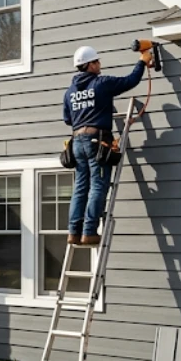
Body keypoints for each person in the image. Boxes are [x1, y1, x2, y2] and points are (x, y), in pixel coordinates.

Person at [62, 45, 150, 245]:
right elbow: (130, 80)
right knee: (98, 186)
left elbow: (68, 119)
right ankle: (89, 231)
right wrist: (142, 62)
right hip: (97, 140)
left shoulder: (69, 92)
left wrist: (87, 110)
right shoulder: (102, 83)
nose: (100, 64)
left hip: (77, 143)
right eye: (97, 61)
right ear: (90, 65)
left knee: (80, 188)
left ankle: (73, 232)